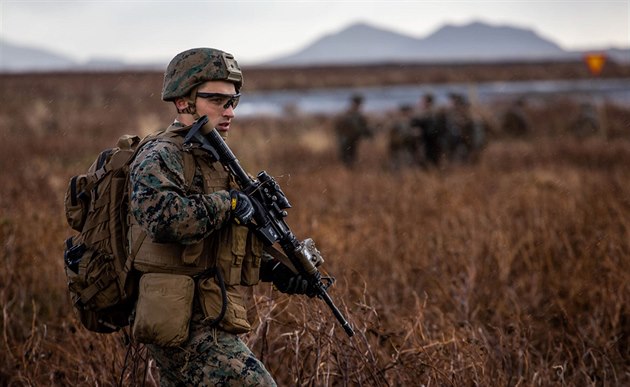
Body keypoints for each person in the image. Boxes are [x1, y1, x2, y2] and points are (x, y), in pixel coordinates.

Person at [128, 47, 311, 386]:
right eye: (217, 101)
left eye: (234, 102)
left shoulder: (213, 158)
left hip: (208, 314)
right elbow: (161, 219)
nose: (230, 112)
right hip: (179, 318)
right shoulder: (161, 155)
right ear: (183, 102)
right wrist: (226, 203)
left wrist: (278, 272)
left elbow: (217, 248)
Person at [333, 93, 372, 168]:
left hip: (351, 140)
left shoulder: (352, 114)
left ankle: (348, 171)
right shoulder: (350, 115)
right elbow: (360, 128)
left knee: (350, 157)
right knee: (348, 157)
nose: (359, 105)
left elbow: (363, 128)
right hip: (346, 140)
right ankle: (347, 172)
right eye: (358, 103)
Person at [411, 93, 444, 167]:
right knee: (424, 157)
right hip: (425, 141)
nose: (421, 103)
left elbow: (437, 128)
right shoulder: (421, 113)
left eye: (423, 101)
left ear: (429, 102)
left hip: (433, 141)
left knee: (432, 158)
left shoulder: (435, 114)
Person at [388, 104, 421, 169]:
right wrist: (411, 134)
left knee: (408, 163)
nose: (410, 114)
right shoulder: (397, 123)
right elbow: (394, 137)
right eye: (408, 112)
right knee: (400, 164)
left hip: (408, 148)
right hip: (400, 148)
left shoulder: (411, 122)